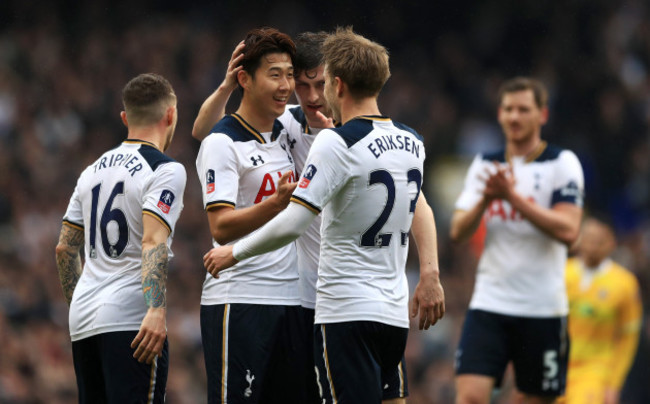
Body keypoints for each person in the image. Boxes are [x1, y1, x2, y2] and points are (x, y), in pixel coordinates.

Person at [194, 30, 445, 404]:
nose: (311, 97)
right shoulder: (288, 123)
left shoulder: (343, 138)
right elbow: (205, 132)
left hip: (339, 304)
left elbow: (417, 202)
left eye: (320, 85)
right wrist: (230, 86)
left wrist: (430, 272)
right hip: (309, 301)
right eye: (300, 85)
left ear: (337, 83)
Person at [449, 77, 584, 404]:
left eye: (524, 109)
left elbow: (569, 230)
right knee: (469, 396)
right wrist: (485, 199)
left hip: (542, 307)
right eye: (508, 109)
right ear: (499, 114)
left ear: (543, 115)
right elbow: (457, 231)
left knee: (534, 398)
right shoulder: (485, 164)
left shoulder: (561, 162)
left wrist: (511, 197)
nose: (514, 117)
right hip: (490, 302)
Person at [194, 27, 312, 403]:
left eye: (289, 74)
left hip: (292, 300)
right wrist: (275, 205)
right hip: (240, 297)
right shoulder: (223, 143)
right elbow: (221, 226)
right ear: (245, 78)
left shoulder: (289, 126)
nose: (286, 85)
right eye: (275, 74)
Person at [55, 73, 186, 403]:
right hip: (131, 322)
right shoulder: (165, 169)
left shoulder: (90, 172)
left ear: (125, 118)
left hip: (83, 321)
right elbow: (153, 241)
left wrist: (84, 302)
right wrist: (155, 310)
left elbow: (64, 248)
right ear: (171, 114)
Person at [561, 217, 642, 404]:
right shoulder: (563, 273)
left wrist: (614, 384)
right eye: (588, 239)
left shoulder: (624, 284)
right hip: (558, 368)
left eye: (599, 241)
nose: (592, 246)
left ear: (611, 243)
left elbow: (628, 338)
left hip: (595, 371)